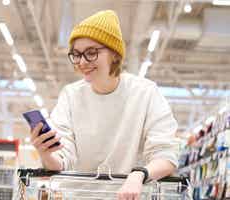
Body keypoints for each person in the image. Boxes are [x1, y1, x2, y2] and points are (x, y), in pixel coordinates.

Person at [31, 10, 179, 200]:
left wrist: (139, 174)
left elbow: (167, 155)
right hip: (79, 196)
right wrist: (46, 154)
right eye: (76, 54)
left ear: (114, 54)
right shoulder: (70, 96)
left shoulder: (145, 93)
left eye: (91, 52)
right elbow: (61, 161)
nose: (82, 62)